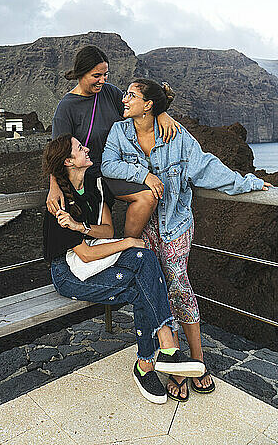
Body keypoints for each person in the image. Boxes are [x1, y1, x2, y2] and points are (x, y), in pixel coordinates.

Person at [101, 78, 272, 401]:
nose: (124, 100)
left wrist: (248, 182)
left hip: (176, 225)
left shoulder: (176, 135)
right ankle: (175, 366)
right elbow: (109, 164)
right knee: (157, 290)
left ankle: (199, 360)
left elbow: (206, 167)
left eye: (131, 95)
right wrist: (144, 175)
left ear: (148, 105)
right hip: (143, 226)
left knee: (179, 286)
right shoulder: (119, 133)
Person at [42, 133, 206, 404]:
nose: (86, 149)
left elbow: (106, 231)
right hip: (69, 274)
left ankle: (160, 353)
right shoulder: (58, 203)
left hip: (95, 257)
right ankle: (150, 360)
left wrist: (81, 227)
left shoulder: (95, 185)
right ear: (69, 161)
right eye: (79, 148)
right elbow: (85, 254)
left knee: (145, 258)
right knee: (141, 279)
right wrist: (128, 241)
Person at [48, 46, 181, 237]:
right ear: (81, 73)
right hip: (89, 179)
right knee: (98, 232)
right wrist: (54, 187)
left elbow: (137, 108)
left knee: (148, 196)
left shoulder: (109, 92)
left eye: (105, 74)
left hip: (115, 171)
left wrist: (162, 114)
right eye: (97, 76)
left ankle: (128, 246)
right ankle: (122, 248)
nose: (103, 80)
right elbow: (57, 153)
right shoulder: (66, 108)